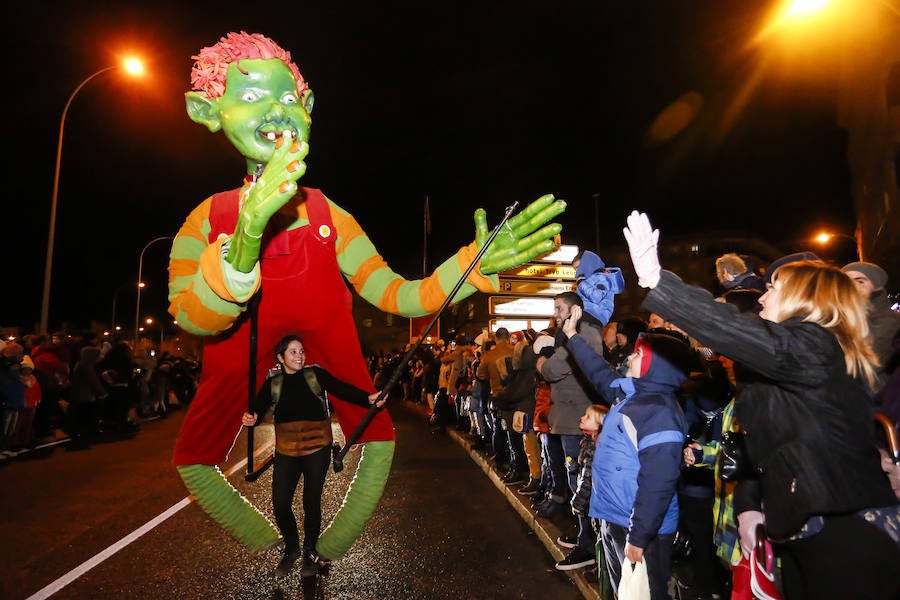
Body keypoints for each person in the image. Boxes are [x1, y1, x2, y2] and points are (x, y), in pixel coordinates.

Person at [166, 31, 565, 558]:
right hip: (238, 337)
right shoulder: (208, 217)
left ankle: (325, 546)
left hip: (329, 327)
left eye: (288, 99)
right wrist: (244, 239)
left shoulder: (332, 216)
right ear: (208, 112)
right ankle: (271, 544)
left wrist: (470, 265)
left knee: (378, 435)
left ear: (307, 108)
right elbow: (195, 317)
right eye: (250, 96)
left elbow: (398, 294)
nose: (276, 111)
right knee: (194, 452)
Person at [624, 210, 900, 600]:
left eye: (773, 288)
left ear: (804, 299)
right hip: (804, 527)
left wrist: (657, 281)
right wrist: (750, 503)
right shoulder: (793, 355)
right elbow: (769, 445)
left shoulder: (815, 346)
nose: (763, 296)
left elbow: (740, 332)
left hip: (846, 531)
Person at [562, 306, 692, 599]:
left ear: (652, 366)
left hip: (640, 529)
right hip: (616, 518)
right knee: (624, 591)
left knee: (644, 592)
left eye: (638, 354)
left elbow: (658, 483)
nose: (630, 356)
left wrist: (639, 535)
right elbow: (597, 372)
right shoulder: (631, 394)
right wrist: (571, 335)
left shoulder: (659, 412)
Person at [242, 335, 384, 577]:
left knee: (311, 502)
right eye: (293, 352)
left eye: (301, 351)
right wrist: (251, 418)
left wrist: (367, 398)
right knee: (280, 503)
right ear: (281, 357)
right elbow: (256, 408)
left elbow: (341, 388)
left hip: (318, 446)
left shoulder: (315, 375)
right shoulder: (273, 383)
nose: (300, 356)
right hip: (286, 448)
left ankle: (309, 551)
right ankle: (292, 548)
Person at [841, 260, 900, 390]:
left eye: (860, 281)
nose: (852, 286)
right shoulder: (843, 317)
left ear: (877, 286)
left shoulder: (890, 321)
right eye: (846, 281)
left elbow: (866, 366)